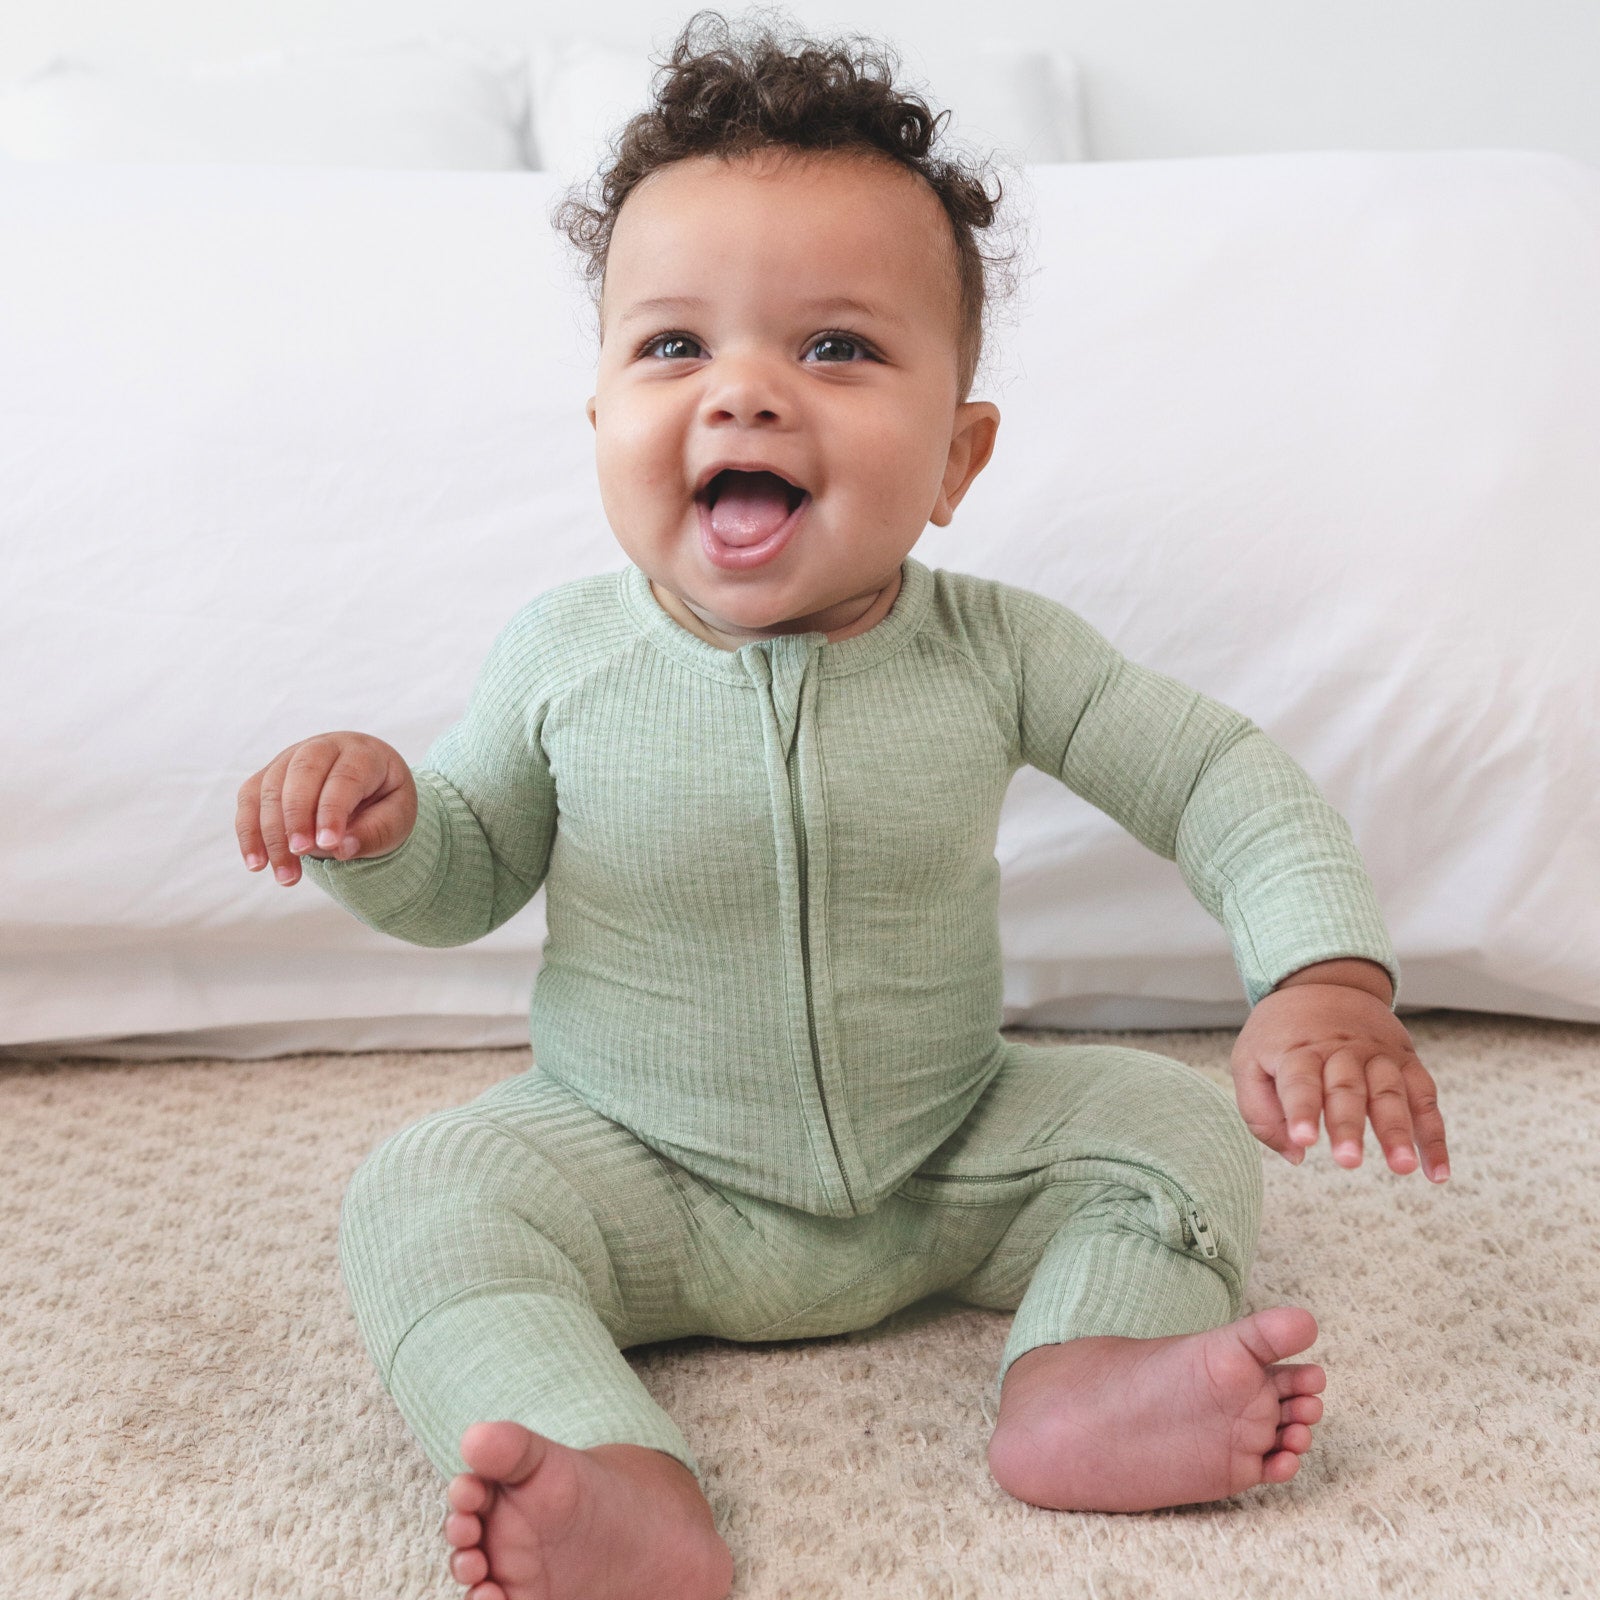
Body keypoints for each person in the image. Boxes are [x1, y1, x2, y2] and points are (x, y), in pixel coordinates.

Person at [234, 11, 1450, 1598]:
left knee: (1159, 1125)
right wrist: (385, 833)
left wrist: (1324, 974)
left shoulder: (998, 649)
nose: (743, 395)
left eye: (835, 348)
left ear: (956, 457)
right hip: (636, 1169)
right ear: (602, 424)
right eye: (675, 347)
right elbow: (471, 869)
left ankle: (1084, 1377)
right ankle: (611, 1470)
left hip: (946, 1156)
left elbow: (1215, 772)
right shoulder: (562, 657)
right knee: (428, 1198)